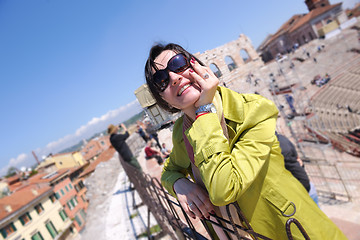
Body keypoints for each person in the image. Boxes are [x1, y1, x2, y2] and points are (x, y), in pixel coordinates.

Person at [144, 43, 346, 239]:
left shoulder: (254, 110)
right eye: (161, 80)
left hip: (294, 231)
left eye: (178, 64)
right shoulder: (181, 132)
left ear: (198, 66)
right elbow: (169, 171)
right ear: (164, 101)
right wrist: (179, 184)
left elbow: (224, 189)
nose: (173, 77)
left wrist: (204, 111)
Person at [275, 133, 319, 205]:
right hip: (306, 189)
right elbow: (298, 159)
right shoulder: (281, 139)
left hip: (302, 191)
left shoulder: (279, 146)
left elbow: (301, 177)